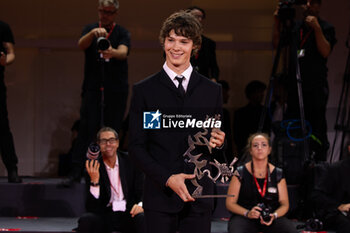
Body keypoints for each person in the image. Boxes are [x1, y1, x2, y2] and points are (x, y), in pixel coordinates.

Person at [129, 10, 225, 233]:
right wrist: (167, 178)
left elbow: (215, 144)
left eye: (183, 41)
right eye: (170, 40)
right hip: (160, 197)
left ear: (195, 46)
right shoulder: (146, 91)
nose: (176, 47)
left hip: (199, 198)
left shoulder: (212, 91)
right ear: (163, 43)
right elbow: (136, 147)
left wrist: (219, 143)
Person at [66, 0, 130, 183]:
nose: (105, 15)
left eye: (109, 12)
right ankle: (77, 171)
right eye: (103, 11)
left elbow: (124, 52)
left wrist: (112, 52)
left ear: (115, 13)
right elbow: (81, 44)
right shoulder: (91, 28)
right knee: (86, 129)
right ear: (98, 11)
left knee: (112, 131)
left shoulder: (122, 32)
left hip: (115, 89)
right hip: (93, 87)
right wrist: (93, 34)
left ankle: (112, 172)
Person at [273, 0, 337, 161]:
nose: (308, 5)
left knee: (317, 126)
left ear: (319, 5)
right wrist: (277, 23)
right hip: (294, 86)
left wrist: (316, 29)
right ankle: (293, 162)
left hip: (315, 86)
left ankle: (319, 162)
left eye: (313, 2)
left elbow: (325, 51)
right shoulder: (295, 27)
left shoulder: (326, 27)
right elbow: (276, 45)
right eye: (305, 2)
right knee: (293, 126)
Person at [77, 127, 145, 233]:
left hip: (129, 212)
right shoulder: (93, 167)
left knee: (143, 217)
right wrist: (94, 182)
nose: (108, 144)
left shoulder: (131, 162)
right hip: (106, 214)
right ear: (98, 144)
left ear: (117, 143)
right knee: (87, 220)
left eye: (112, 140)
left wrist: (141, 205)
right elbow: (91, 207)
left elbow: (142, 190)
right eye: (104, 141)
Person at [226, 133, 297, 233]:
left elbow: (285, 204)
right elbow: (230, 203)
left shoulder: (278, 173)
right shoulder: (240, 172)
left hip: (270, 216)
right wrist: (247, 213)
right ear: (250, 150)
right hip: (245, 216)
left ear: (269, 149)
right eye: (255, 145)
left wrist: (274, 215)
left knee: (290, 230)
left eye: (264, 145)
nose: (260, 148)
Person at [311, 144, 350, 233]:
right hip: (337, 213)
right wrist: (339, 206)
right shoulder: (335, 169)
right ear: (349, 148)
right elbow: (316, 196)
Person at [0, 20, 21, 183]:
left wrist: (5, 61)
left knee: (2, 128)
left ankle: (12, 168)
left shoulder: (3, 27)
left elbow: (11, 53)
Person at [233, 81, 270, 159]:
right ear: (251, 94)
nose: (262, 95)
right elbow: (238, 136)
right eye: (259, 92)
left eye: (262, 92)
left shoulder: (266, 112)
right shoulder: (241, 113)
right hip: (246, 151)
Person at [187, 6, 220, 81]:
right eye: (195, 16)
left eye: (201, 17)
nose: (199, 19)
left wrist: (214, 78)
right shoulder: (178, 39)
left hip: (202, 80)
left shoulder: (209, 43)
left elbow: (213, 65)